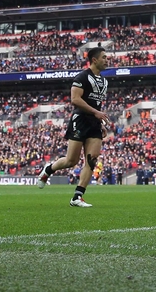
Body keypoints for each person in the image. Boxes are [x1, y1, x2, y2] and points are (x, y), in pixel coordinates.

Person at [37, 47, 110, 207]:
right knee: (71, 161)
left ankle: (77, 196)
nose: (107, 60)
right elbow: (75, 99)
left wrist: (99, 122)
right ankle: (48, 170)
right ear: (94, 60)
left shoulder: (104, 81)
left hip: (94, 123)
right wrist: (96, 113)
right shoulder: (82, 77)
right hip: (80, 120)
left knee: (92, 160)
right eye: (104, 57)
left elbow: (97, 104)